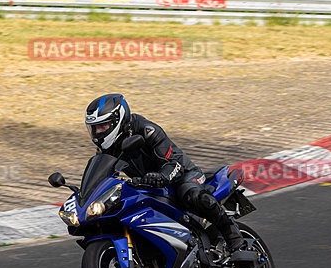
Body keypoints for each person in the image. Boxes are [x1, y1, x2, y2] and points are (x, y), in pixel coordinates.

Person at [84, 93, 245, 254]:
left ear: (118, 120)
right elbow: (103, 175)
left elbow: (174, 164)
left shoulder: (147, 130)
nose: (98, 132)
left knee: (194, 197)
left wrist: (161, 177)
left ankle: (234, 239)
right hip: (147, 183)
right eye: (94, 128)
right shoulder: (107, 149)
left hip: (182, 174)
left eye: (103, 126)